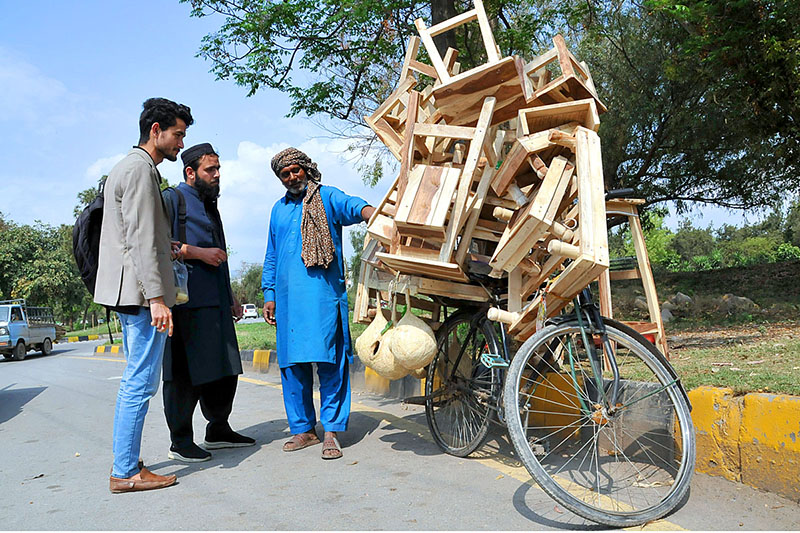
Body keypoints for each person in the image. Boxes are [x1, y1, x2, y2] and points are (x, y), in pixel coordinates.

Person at [94, 97, 193, 493]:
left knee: (138, 379)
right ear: (156, 131)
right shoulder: (139, 170)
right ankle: (125, 471)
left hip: (130, 289)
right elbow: (138, 238)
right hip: (140, 294)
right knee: (140, 380)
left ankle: (126, 464)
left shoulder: (129, 167)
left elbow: (136, 233)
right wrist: (156, 297)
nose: (180, 144)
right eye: (177, 135)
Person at [261, 148, 375, 460]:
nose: (292, 177)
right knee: (292, 367)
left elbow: (352, 206)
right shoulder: (278, 209)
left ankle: (332, 432)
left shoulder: (326, 197)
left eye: (295, 170)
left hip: (323, 298)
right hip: (286, 303)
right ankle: (304, 431)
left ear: (307, 169)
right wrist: (268, 294)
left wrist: (372, 215)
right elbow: (271, 255)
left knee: (330, 364)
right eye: (285, 174)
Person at [161, 143, 254, 462]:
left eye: (218, 170)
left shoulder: (210, 204)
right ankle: (180, 441)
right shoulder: (172, 199)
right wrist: (198, 253)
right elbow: (159, 244)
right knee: (184, 373)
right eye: (209, 170)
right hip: (185, 302)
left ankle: (218, 428)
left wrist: (230, 298)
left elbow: (222, 255)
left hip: (216, 301)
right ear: (190, 172)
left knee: (226, 367)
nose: (216, 175)